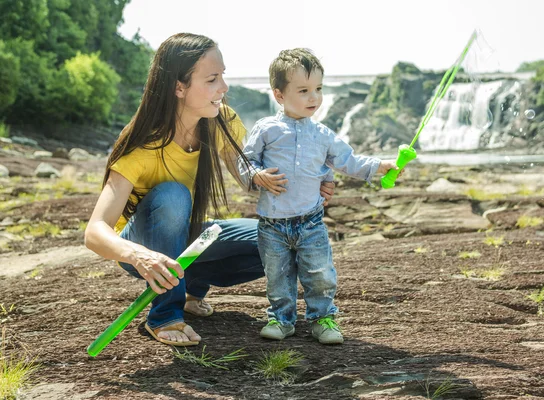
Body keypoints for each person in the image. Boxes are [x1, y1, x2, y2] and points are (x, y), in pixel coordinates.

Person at [84, 34, 335, 347]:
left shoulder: (221, 120)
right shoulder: (142, 146)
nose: (224, 88)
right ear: (179, 87)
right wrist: (140, 256)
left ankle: (193, 283)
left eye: (223, 77)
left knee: (274, 240)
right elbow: (95, 231)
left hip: (186, 238)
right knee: (173, 195)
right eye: (213, 79)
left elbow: (255, 174)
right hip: (141, 249)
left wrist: (312, 181)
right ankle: (165, 315)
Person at [239, 48, 400, 345]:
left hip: (310, 221)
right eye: (303, 90)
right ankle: (281, 318)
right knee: (278, 277)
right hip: (272, 224)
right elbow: (245, 162)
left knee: (320, 274)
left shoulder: (323, 134)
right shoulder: (266, 129)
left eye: (318, 89)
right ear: (279, 95)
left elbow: (348, 160)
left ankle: (322, 318)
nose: (314, 98)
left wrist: (379, 165)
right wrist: (256, 175)